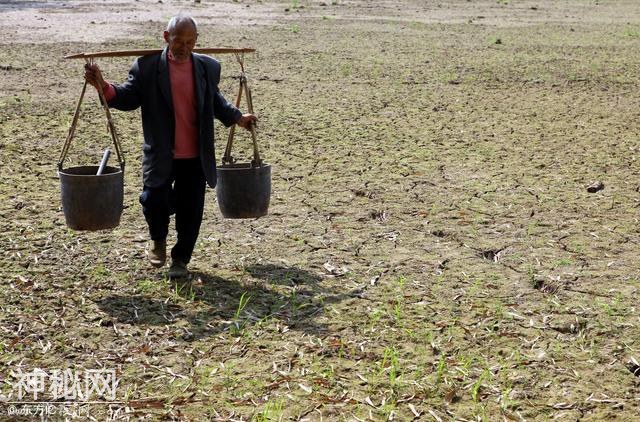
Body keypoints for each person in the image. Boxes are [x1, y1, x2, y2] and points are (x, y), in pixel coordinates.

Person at [84, 14, 257, 279]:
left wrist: (238, 118)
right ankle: (158, 239)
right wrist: (103, 86)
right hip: (162, 152)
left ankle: (181, 260)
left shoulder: (207, 67)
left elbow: (215, 101)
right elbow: (128, 96)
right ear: (166, 38)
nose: (184, 47)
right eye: (179, 41)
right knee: (153, 199)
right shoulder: (147, 67)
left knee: (191, 210)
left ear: (197, 41)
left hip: (196, 155)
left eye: (190, 42)